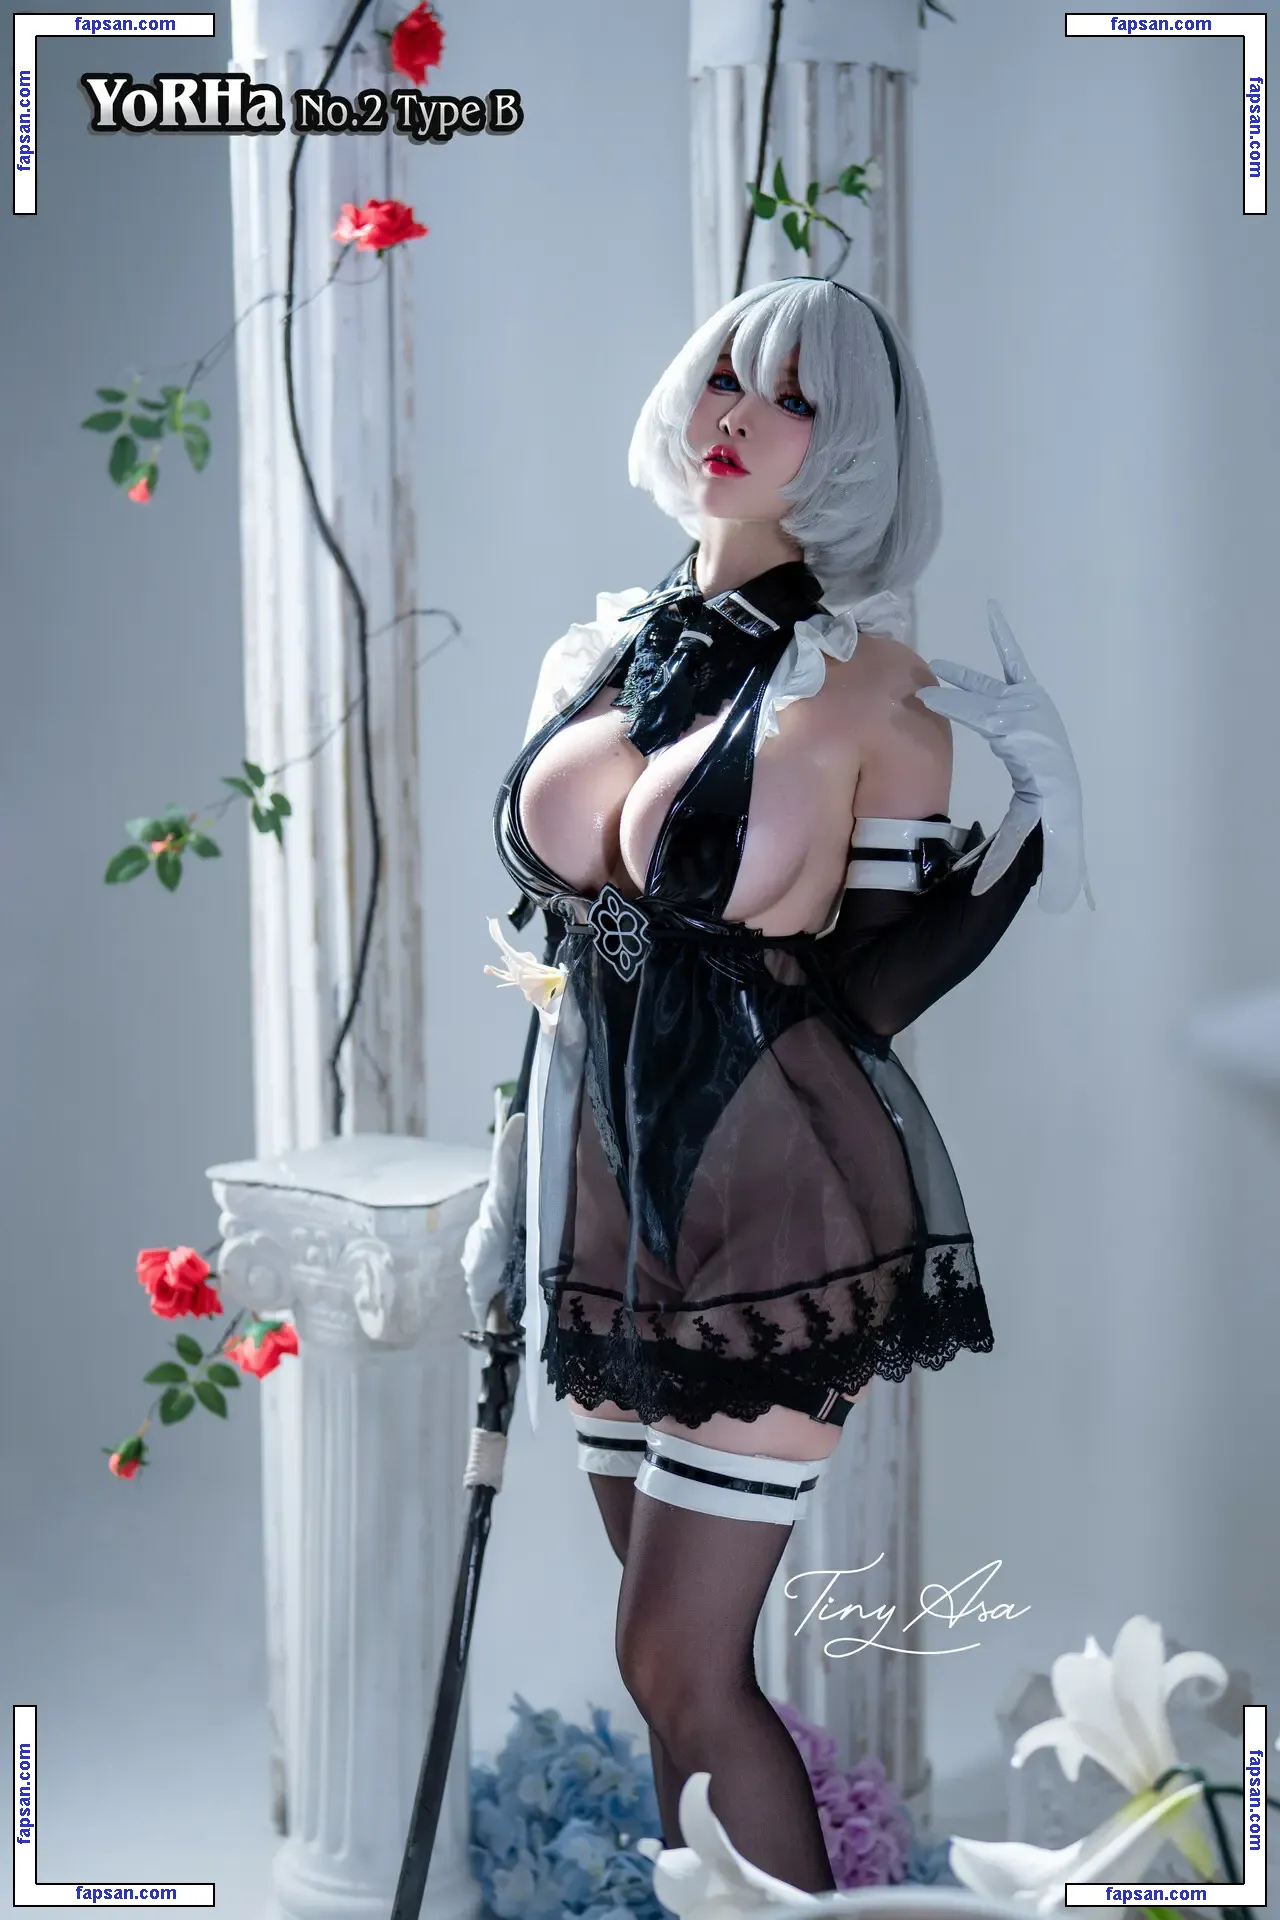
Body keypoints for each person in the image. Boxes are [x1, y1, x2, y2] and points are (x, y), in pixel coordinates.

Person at [461, 276, 1089, 1895]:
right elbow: (556, 966)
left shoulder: (876, 688)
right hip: (603, 1201)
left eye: (795, 397)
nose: (740, 415)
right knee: (665, 1662)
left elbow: (886, 972)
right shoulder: (595, 652)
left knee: (676, 1659)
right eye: (727, 378)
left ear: (856, 445)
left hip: (777, 1207)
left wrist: (1023, 836)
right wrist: (508, 1175)